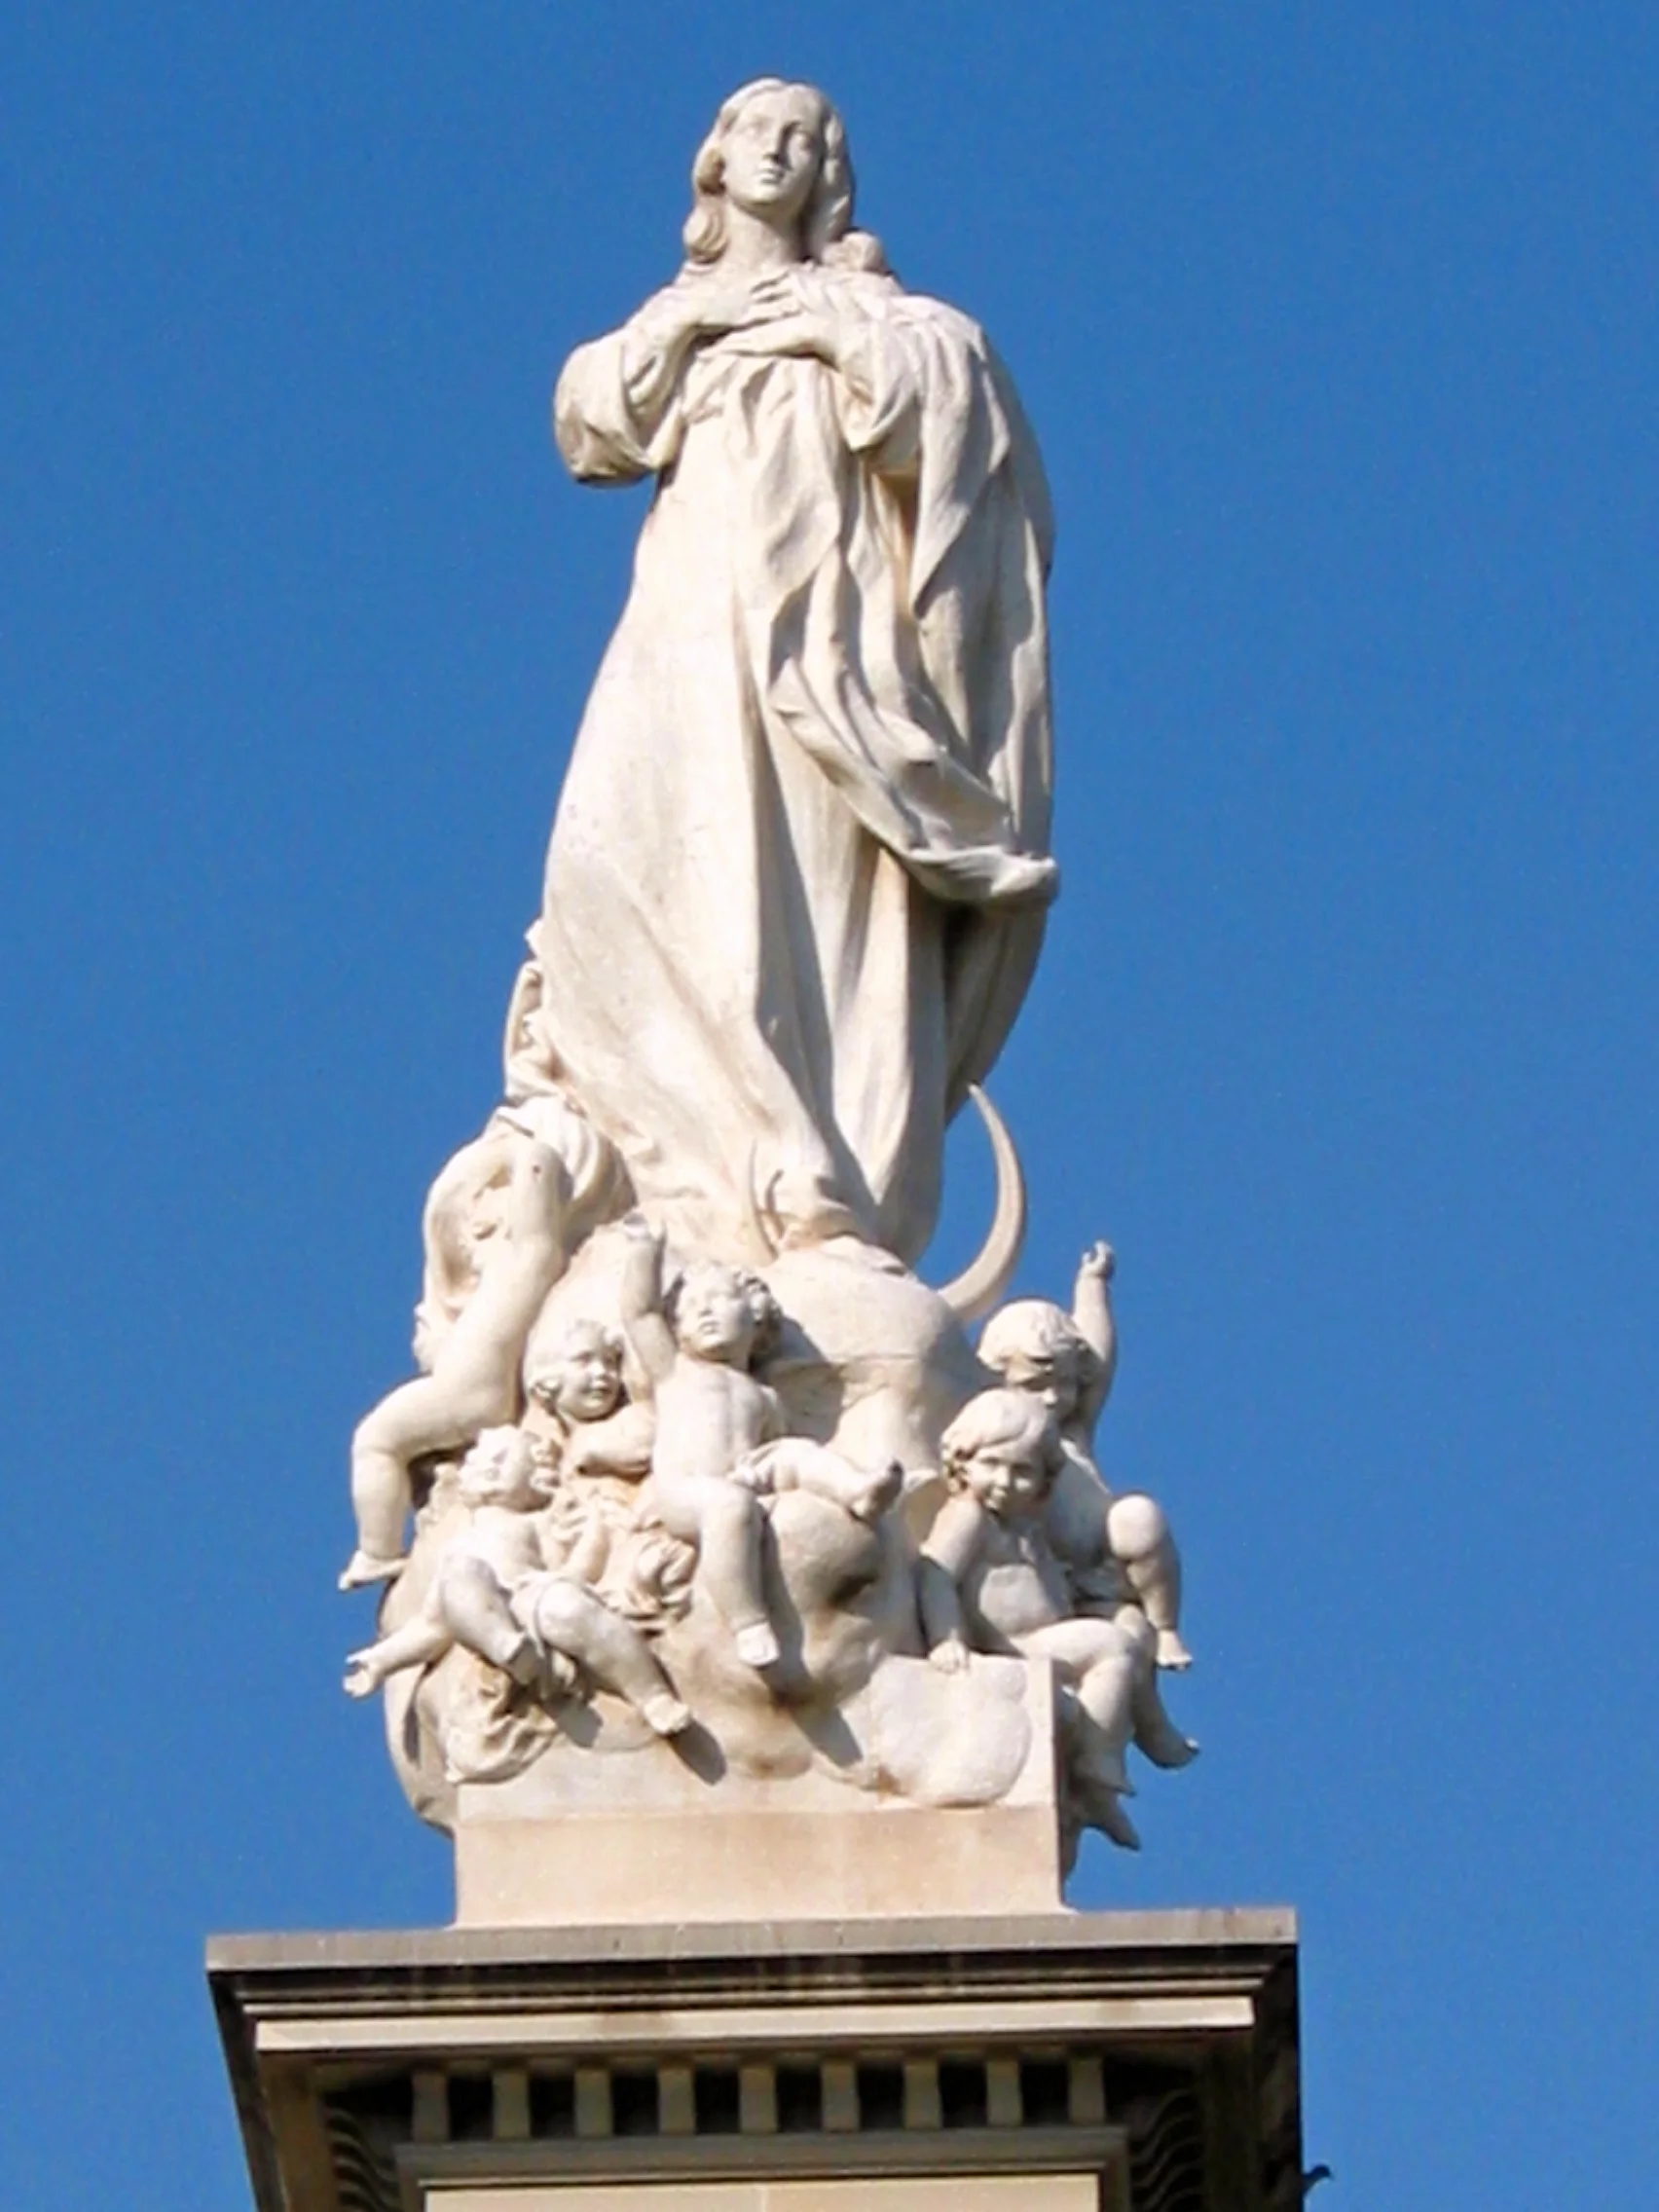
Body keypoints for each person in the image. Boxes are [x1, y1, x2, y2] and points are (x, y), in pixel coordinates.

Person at [536, 77, 1057, 1271]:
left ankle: (810, 1167)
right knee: (614, 860)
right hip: (687, 627)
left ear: (830, 175)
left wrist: (833, 329)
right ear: (711, 164)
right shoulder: (677, 317)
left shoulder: (882, 312)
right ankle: (687, 1177)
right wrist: (694, 322)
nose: (776, 148)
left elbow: (965, 412)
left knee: (817, 888)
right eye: (750, 129)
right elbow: (589, 427)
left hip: (824, 653)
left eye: (804, 136)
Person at [617, 1220, 902, 1669]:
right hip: (688, 1491)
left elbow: (771, 1448)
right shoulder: (674, 1372)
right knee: (728, 1507)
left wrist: (769, 1473)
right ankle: (747, 1621)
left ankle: (856, 1490)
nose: (705, 1312)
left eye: (718, 1301)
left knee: (796, 1453)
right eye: (691, 1309)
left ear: (755, 1314)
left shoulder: (764, 1396)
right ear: (679, 1330)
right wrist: (644, 1251)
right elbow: (639, 1314)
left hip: (743, 1475)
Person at [343, 1425, 690, 1738]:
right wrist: (381, 1661)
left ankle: (652, 1695)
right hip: (491, 1616)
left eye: (504, 1460)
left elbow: (576, 1565)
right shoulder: (457, 1547)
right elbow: (433, 1626)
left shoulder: (536, 1523)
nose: (490, 1466)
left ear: (534, 1478)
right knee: (461, 1578)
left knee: (568, 1608)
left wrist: (589, 1540)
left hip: (530, 1591)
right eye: (482, 1460)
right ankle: (510, 1649)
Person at [918, 1388, 1144, 1848]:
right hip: (1014, 1644)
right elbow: (936, 1573)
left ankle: (1096, 1773)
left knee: (1125, 1642)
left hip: (1039, 1637)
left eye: (1021, 1472)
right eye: (991, 1465)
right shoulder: (968, 1516)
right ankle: (1094, 1768)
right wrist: (946, 1636)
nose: (1004, 1482)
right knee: (1113, 1647)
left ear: (1044, 1479)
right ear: (961, 1464)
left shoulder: (1022, 1525)